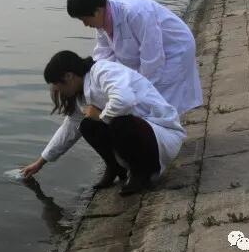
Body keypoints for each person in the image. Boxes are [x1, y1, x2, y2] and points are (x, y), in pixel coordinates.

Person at [21, 51, 185, 196]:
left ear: (69, 76)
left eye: (57, 86)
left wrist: (101, 116)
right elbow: (69, 130)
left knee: (120, 121)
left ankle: (140, 174)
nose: (59, 92)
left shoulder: (104, 71)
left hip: (161, 133)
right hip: (143, 137)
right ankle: (115, 167)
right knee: (86, 126)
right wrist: (41, 162)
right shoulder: (81, 95)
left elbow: (125, 101)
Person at [66, 0, 202, 115]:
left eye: (85, 19)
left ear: (97, 11)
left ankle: (169, 133)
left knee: (161, 99)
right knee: (144, 100)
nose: (85, 24)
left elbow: (152, 59)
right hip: (149, 52)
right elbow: (103, 55)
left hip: (174, 48)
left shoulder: (136, 13)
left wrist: (139, 88)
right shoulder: (103, 22)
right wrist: (94, 80)